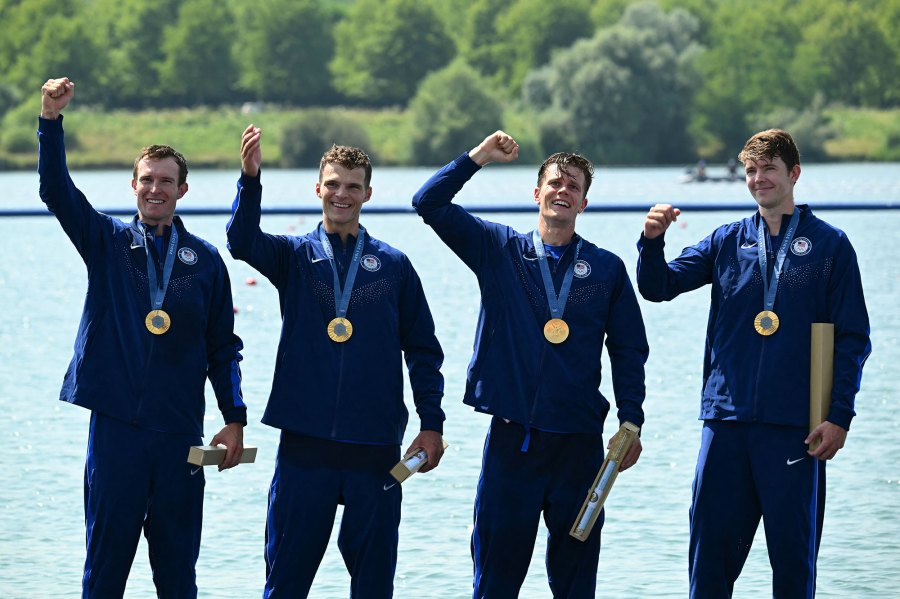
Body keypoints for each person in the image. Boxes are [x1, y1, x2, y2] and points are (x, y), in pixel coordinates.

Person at [413, 131, 648, 597]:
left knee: (575, 583)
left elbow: (628, 349)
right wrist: (479, 157)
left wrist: (631, 419)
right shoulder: (497, 250)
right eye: (555, 183)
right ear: (537, 193)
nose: (563, 190)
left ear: (583, 203)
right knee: (496, 582)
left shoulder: (606, 269)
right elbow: (428, 202)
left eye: (574, 186)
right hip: (511, 445)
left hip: (578, 448)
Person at [637, 129, 871, 597]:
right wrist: (651, 241)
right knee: (709, 563)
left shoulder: (831, 246)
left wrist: (838, 416)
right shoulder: (726, 240)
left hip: (795, 429)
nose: (759, 179)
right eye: (751, 171)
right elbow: (658, 286)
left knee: (792, 563)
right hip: (725, 423)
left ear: (794, 174)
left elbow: (853, 339)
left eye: (769, 169)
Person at [37, 77, 247, 597]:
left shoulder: (205, 262)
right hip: (118, 432)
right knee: (105, 567)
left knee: (177, 573)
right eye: (147, 179)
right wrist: (49, 121)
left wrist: (234, 418)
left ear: (183, 190)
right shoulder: (106, 242)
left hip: (179, 435)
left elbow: (224, 349)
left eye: (166, 181)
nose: (156, 189)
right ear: (133, 185)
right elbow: (55, 190)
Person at [226, 126, 445, 598]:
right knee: (285, 582)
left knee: (373, 585)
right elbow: (241, 241)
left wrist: (432, 423)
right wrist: (249, 179)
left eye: (352, 186)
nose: (341, 194)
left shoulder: (394, 265)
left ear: (367, 193)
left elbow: (424, 351)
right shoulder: (293, 256)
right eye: (333, 184)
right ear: (318, 188)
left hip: (375, 447)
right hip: (305, 447)